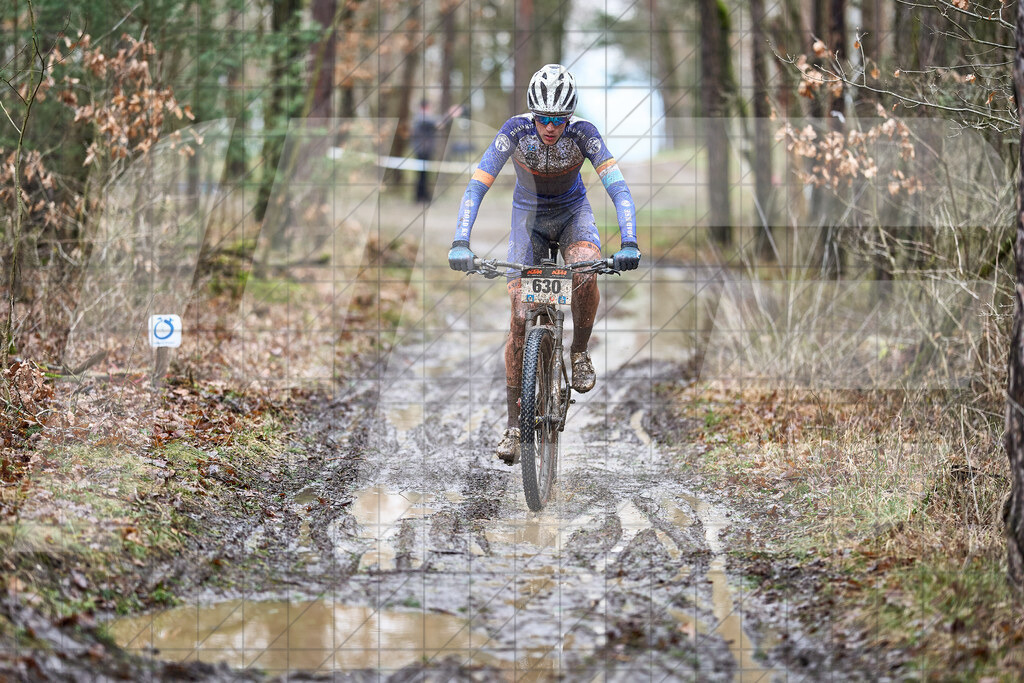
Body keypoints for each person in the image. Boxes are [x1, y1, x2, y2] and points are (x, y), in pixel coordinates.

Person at [447, 64, 641, 464]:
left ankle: (579, 352)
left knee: (585, 269)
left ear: (569, 117)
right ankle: (514, 425)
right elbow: (476, 185)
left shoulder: (584, 133)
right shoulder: (515, 131)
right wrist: (461, 241)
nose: (550, 127)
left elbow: (619, 188)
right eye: (543, 119)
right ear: (532, 115)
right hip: (528, 220)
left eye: (558, 119)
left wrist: (629, 241)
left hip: (573, 214)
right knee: (520, 316)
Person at [411, 99, 437, 202]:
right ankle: (420, 197)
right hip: (421, 151)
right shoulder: (420, 118)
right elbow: (435, 122)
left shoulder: (421, 118)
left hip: (425, 151)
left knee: (424, 175)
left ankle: (424, 196)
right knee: (421, 175)